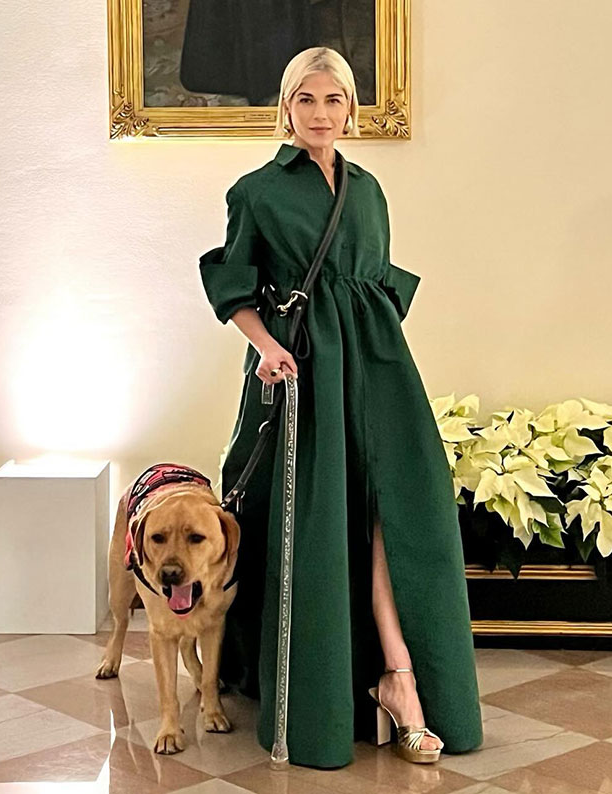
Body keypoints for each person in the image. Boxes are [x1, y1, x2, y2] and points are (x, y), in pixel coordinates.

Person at [199, 46, 483, 770]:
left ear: (351, 108)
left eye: (334, 101)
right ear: (286, 108)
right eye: (306, 101)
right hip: (300, 369)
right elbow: (234, 286)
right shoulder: (257, 191)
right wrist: (266, 346)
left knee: (398, 510)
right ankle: (348, 692)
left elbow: (374, 285)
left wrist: (369, 349)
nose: (321, 114)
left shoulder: (370, 190)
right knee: (317, 522)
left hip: (377, 366)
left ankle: (400, 677)